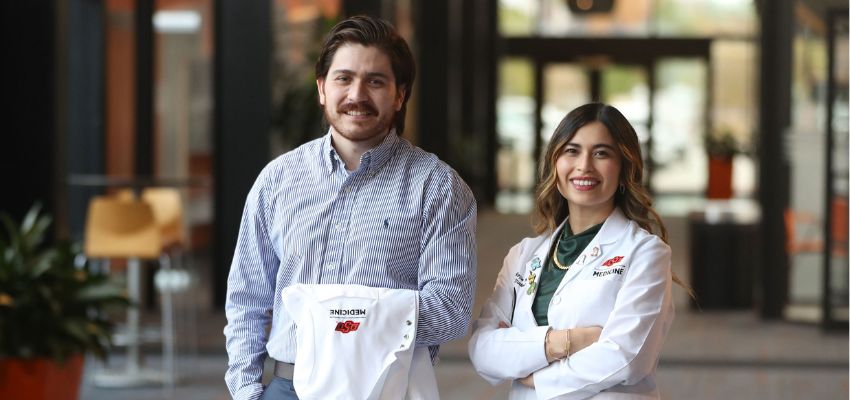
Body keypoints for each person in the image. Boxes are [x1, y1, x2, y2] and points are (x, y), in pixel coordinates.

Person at [224, 15, 477, 400]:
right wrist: (246, 391)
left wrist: (337, 321)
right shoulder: (277, 181)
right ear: (322, 88)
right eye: (343, 78)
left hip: (386, 389)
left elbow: (451, 310)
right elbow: (247, 297)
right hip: (287, 389)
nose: (357, 95)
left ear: (399, 94)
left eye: (375, 81)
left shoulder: (438, 188)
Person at [468, 103, 684, 399]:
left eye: (601, 153)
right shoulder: (523, 255)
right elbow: (483, 349)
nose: (584, 166)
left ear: (623, 169)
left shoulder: (646, 253)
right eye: (572, 151)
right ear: (555, 163)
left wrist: (534, 376)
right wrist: (566, 342)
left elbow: (628, 359)